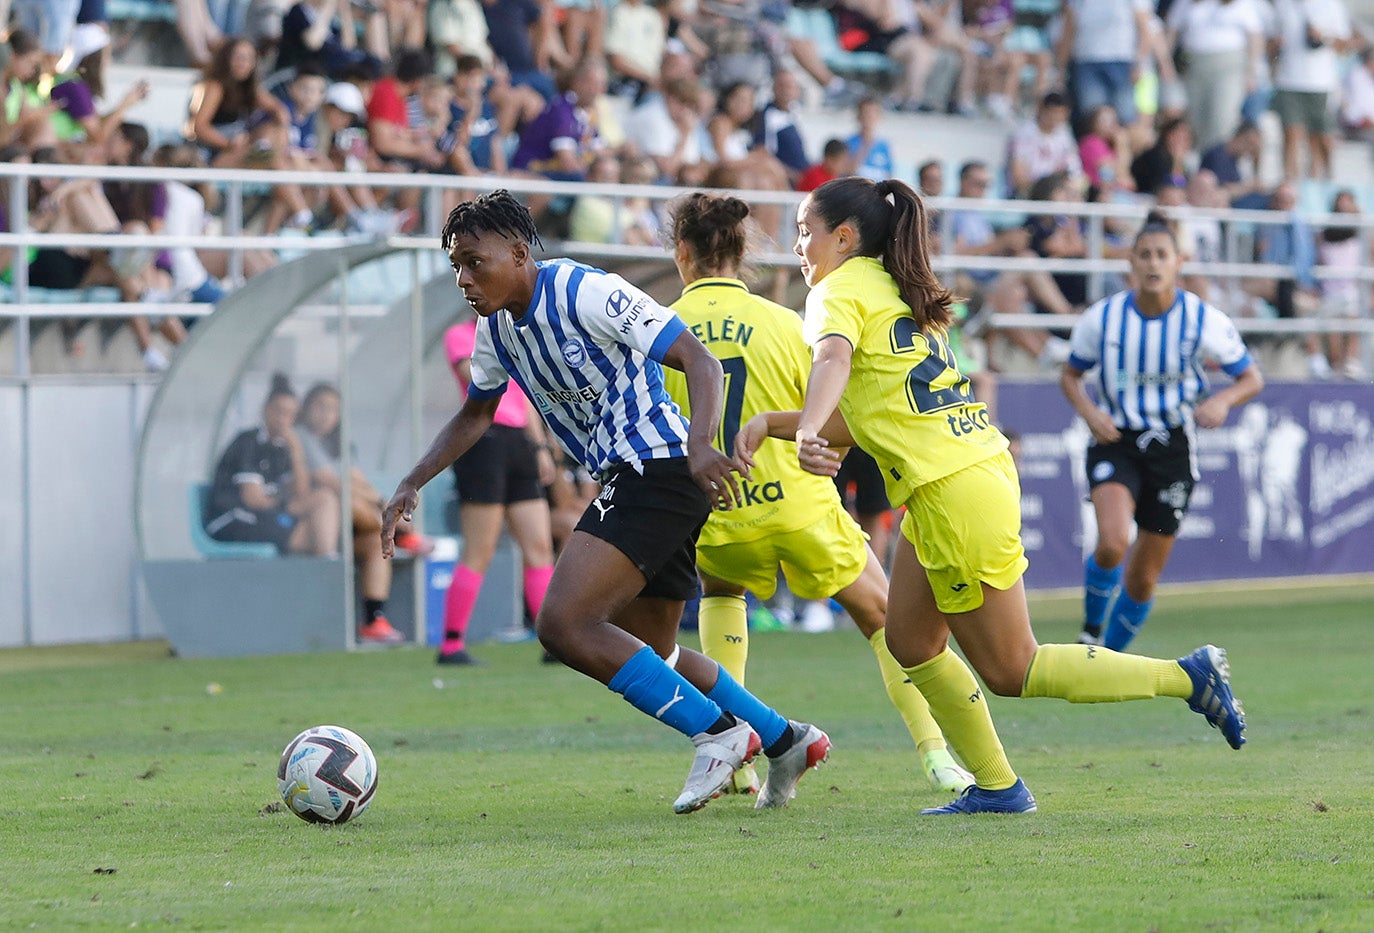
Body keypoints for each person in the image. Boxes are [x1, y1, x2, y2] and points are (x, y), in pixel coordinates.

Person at [735, 177, 1248, 816]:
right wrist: (776, 423)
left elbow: (832, 363)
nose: (797, 245)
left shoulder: (838, 290)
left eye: (806, 230)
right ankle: (998, 787)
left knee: (1013, 669)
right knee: (911, 642)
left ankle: (1186, 677)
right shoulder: (896, 289)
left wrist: (806, 425)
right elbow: (870, 414)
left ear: (844, 237)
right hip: (960, 477)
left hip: (952, 490)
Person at [381, 190, 831, 814]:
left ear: (518, 253)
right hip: (645, 475)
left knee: (564, 625)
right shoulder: (495, 330)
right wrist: (412, 480)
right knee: (659, 649)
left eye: (474, 262)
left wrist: (701, 444)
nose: (464, 278)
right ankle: (787, 740)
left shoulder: (585, 291)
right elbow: (476, 413)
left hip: (660, 466)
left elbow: (700, 361)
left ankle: (720, 732)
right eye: (456, 265)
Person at [662, 191, 974, 798]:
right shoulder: (789, 322)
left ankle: (740, 758)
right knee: (885, 620)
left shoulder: (660, 332)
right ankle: (936, 755)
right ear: (743, 252)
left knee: (722, 599)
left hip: (718, 513)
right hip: (799, 507)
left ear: (682, 254)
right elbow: (834, 409)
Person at [1060, 211, 1264, 652]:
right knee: (1113, 542)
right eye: (1145, 255)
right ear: (1130, 263)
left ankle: (1108, 658)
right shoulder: (1104, 318)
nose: (1153, 264)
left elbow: (1251, 378)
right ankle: (1090, 630)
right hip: (1117, 440)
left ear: (1179, 262)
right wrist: (1091, 413)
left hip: (1173, 448)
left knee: (1143, 576)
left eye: (1162, 255)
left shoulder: (1201, 319)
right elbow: (1070, 376)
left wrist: (1222, 400)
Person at [437, 314, 559, 665]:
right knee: (480, 548)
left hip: (518, 442)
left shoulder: (510, 333)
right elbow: (478, 379)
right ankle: (451, 645)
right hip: (483, 441)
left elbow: (523, 396)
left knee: (539, 546)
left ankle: (555, 643)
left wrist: (540, 448)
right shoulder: (459, 335)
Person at [297, 383, 410, 644]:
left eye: (333, 409)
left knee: (375, 544)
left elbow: (358, 479)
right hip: (312, 523)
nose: (327, 415)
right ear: (307, 409)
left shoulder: (340, 443)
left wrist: (381, 501)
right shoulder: (301, 436)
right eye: (321, 407)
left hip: (350, 526)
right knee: (342, 492)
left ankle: (373, 620)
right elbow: (327, 479)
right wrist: (382, 506)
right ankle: (399, 531)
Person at [205, 374, 340, 557]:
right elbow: (254, 500)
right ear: (265, 410)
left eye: (291, 415)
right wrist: (286, 503)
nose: (283, 419)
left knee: (324, 498)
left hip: (266, 515)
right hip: (235, 518)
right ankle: (330, 566)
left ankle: (328, 560)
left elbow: (301, 492)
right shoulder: (248, 442)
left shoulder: (283, 448)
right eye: (279, 411)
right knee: (315, 536)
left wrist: (296, 451)